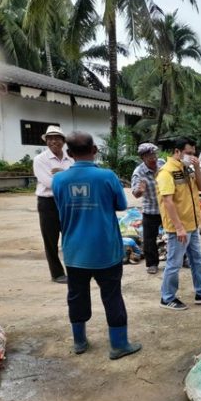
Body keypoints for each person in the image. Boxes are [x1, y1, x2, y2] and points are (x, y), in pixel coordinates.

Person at [52, 131, 141, 360]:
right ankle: (118, 345)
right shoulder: (107, 176)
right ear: (94, 150)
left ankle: (80, 342)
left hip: (74, 251)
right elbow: (121, 205)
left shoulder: (59, 180)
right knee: (112, 296)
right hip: (105, 251)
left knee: (76, 295)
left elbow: (59, 208)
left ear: (69, 153)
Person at [156, 138, 201, 310]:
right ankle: (167, 297)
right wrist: (178, 228)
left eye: (194, 153)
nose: (192, 156)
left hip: (192, 224)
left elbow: (200, 187)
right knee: (174, 263)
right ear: (177, 152)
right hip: (179, 228)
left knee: (197, 259)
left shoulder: (187, 169)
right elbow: (168, 202)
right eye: (189, 153)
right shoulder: (166, 173)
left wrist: (197, 167)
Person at [33, 125, 74, 283]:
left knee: (70, 237)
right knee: (50, 239)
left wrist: (60, 175)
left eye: (57, 138)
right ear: (46, 142)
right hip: (48, 202)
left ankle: (75, 269)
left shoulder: (70, 158)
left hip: (67, 201)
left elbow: (74, 178)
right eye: (50, 139)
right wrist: (66, 177)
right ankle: (57, 273)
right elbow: (49, 183)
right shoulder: (40, 159)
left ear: (63, 141)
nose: (53, 141)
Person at [131, 143, 162, 274]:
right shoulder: (139, 173)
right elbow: (135, 193)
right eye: (149, 156)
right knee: (149, 239)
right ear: (143, 158)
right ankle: (152, 264)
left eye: (154, 155)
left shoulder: (162, 164)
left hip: (167, 207)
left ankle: (182, 259)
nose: (153, 158)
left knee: (176, 235)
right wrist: (140, 190)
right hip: (151, 210)